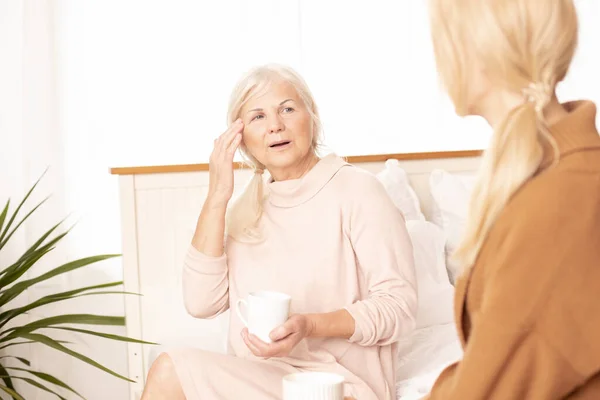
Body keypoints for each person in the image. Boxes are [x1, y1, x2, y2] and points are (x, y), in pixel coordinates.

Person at [140, 64, 417, 400]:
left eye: (287, 109)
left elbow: (399, 307)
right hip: (260, 378)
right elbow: (200, 303)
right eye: (258, 117)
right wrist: (218, 195)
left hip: (340, 386)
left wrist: (310, 326)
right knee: (170, 370)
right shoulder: (243, 210)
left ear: (311, 118)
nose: (275, 125)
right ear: (240, 139)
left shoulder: (359, 190)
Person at [425, 0, 600, 398]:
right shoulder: (547, 176)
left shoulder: (563, 199)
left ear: (478, 47)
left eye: (442, 38)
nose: (437, 59)